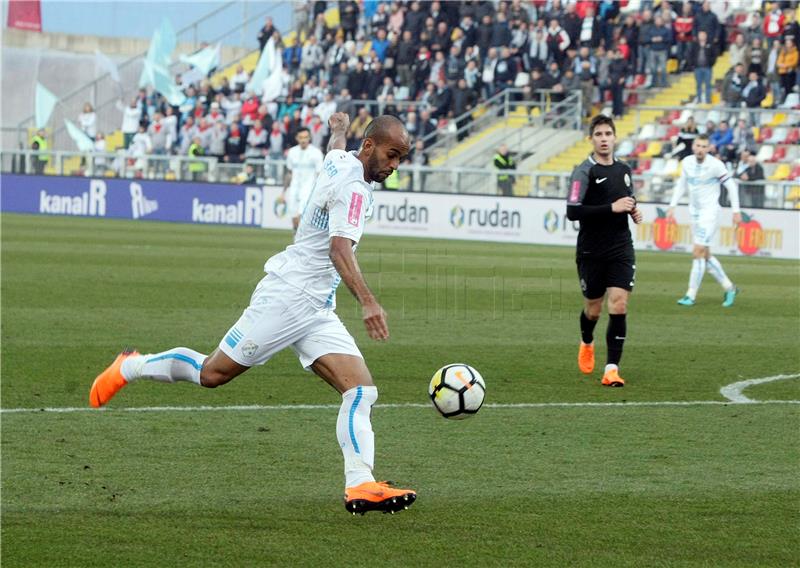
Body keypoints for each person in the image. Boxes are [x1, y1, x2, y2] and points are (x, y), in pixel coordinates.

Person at [88, 113, 417, 516]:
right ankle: (131, 367)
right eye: (392, 154)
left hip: (315, 307)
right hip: (286, 297)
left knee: (361, 391)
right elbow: (339, 250)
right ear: (369, 146)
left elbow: (333, 151)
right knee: (212, 374)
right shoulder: (355, 189)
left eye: (401, 158)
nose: (395, 165)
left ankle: (360, 484)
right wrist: (367, 300)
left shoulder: (343, 160)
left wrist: (337, 130)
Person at [566, 115, 642, 388]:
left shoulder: (624, 169)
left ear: (615, 137)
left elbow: (628, 197)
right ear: (591, 139)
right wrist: (612, 208)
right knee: (594, 309)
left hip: (621, 247)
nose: (604, 138)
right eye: (598, 134)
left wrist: (633, 209)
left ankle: (612, 369)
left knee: (619, 303)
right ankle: (587, 341)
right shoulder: (583, 171)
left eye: (608, 133)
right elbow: (572, 211)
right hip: (591, 250)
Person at [667, 134, 741, 307]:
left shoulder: (715, 165)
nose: (700, 149)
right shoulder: (686, 162)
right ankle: (729, 287)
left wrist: (736, 211)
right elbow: (681, 185)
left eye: (704, 146)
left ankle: (690, 295)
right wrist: (672, 205)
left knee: (698, 251)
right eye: (698, 146)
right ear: (693, 146)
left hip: (710, 213)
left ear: (709, 148)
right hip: (694, 212)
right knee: (705, 255)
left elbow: (731, 186)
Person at [282, 127, 325, 233]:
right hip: (294, 188)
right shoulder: (292, 152)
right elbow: (289, 173)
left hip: (308, 189)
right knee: (294, 218)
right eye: (301, 137)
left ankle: (302, 243)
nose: (303, 140)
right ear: (297, 138)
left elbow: (320, 174)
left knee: (301, 216)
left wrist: (321, 191)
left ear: (309, 138)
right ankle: (297, 241)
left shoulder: (316, 153)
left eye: (305, 137)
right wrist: (284, 191)